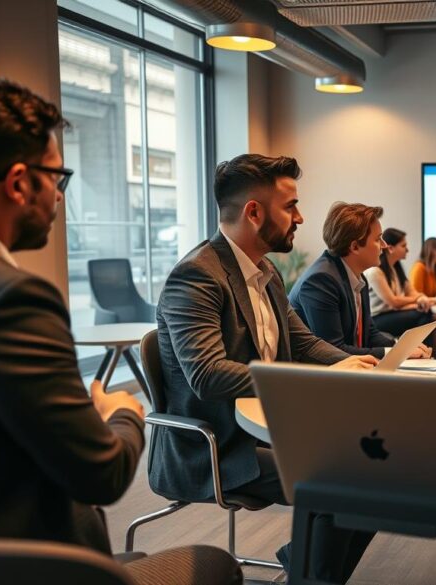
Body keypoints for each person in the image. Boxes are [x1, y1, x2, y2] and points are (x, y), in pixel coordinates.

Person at [0, 73, 242, 584]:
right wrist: (123, 414)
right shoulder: (13, 299)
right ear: (17, 183)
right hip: (38, 564)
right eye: (58, 177)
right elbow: (102, 475)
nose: (58, 197)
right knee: (215, 567)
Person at [154, 154, 378, 582]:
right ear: (254, 213)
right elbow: (207, 374)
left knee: (372, 469)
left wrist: (351, 362)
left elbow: (302, 341)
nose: (300, 216)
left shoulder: (265, 270)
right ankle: (307, 569)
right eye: (290, 206)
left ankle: (306, 565)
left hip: (269, 427)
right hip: (218, 446)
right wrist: (315, 379)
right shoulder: (196, 277)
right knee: (347, 482)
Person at [290, 204, 431, 359]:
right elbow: (333, 350)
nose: (384, 246)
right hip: (317, 377)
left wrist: (401, 346)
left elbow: (369, 334)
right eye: (378, 239)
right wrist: (397, 352)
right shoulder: (320, 281)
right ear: (355, 246)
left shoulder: (358, 276)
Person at [364, 227, 435, 338]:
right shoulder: (375, 271)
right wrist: (418, 299)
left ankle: (423, 352)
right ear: (391, 248)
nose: (407, 250)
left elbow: (412, 292)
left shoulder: (396, 268)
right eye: (403, 246)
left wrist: (420, 298)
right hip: (377, 319)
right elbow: (394, 302)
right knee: (425, 314)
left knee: (427, 315)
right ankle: (424, 352)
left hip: (392, 314)